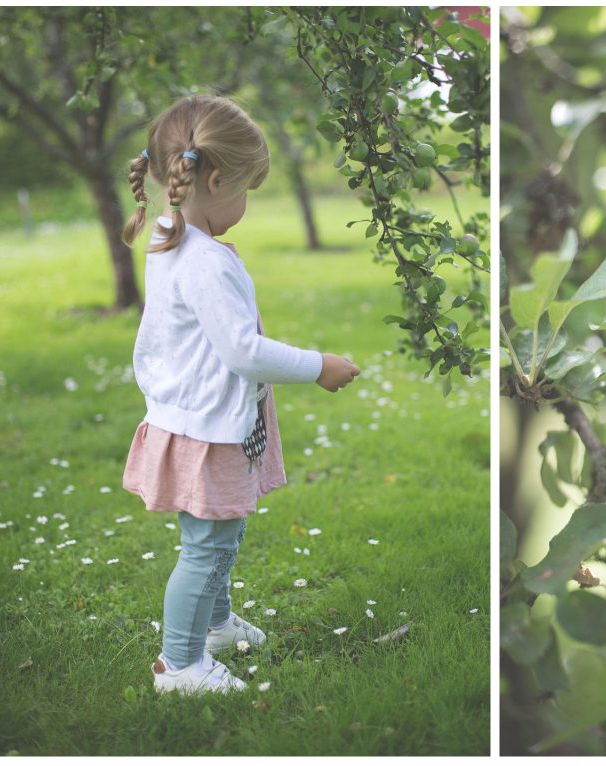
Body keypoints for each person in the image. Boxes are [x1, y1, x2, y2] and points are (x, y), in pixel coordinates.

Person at [120, 94, 360, 695]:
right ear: (217, 177)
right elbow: (244, 351)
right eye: (246, 191)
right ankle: (180, 665)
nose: (246, 205)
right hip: (208, 428)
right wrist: (317, 365)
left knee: (220, 528)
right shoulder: (203, 261)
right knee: (206, 545)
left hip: (202, 417)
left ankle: (218, 627)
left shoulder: (171, 232)